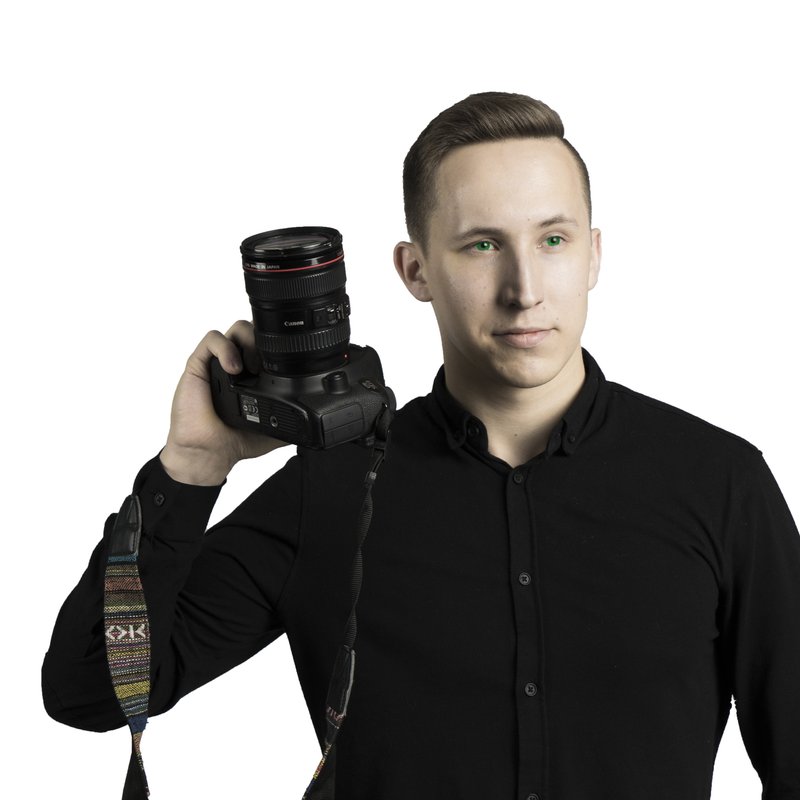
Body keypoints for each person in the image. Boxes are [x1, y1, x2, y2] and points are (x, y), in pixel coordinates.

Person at [42, 92, 800, 799]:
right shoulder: (327, 492)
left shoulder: (721, 484)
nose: (525, 288)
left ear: (593, 255)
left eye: (554, 240)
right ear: (416, 270)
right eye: (482, 245)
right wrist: (191, 469)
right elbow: (90, 692)